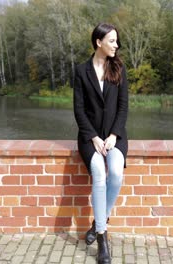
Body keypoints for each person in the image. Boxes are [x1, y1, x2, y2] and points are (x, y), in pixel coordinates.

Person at [73, 22, 128, 264]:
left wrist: (114, 135)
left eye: (116, 41)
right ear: (99, 42)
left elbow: (124, 107)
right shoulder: (81, 70)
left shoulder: (119, 67)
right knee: (98, 172)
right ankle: (103, 241)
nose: (116, 45)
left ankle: (98, 221)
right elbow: (78, 109)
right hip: (89, 137)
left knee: (115, 173)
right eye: (112, 41)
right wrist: (94, 137)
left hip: (115, 136)